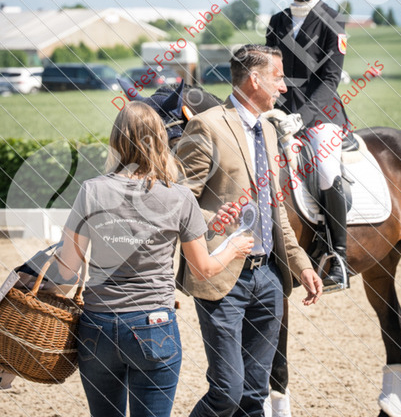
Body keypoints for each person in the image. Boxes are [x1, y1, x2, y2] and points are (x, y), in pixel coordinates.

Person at [57, 102, 254, 417]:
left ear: (116, 140)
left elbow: (66, 269)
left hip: (98, 325)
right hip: (153, 324)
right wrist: (233, 247)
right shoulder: (179, 196)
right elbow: (203, 269)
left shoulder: (92, 190)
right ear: (162, 141)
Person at [175, 44, 322, 417]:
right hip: (223, 277)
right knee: (227, 391)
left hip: (270, 277)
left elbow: (275, 208)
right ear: (254, 79)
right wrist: (213, 220)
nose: (284, 87)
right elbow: (178, 202)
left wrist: (301, 264)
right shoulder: (206, 125)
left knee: (255, 395)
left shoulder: (269, 131)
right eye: (278, 77)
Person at [266, 0, 350, 290]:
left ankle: (339, 256)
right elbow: (269, 72)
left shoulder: (333, 20)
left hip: (322, 115)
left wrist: (301, 116)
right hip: (280, 113)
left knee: (326, 168)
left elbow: (330, 79)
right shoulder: (277, 21)